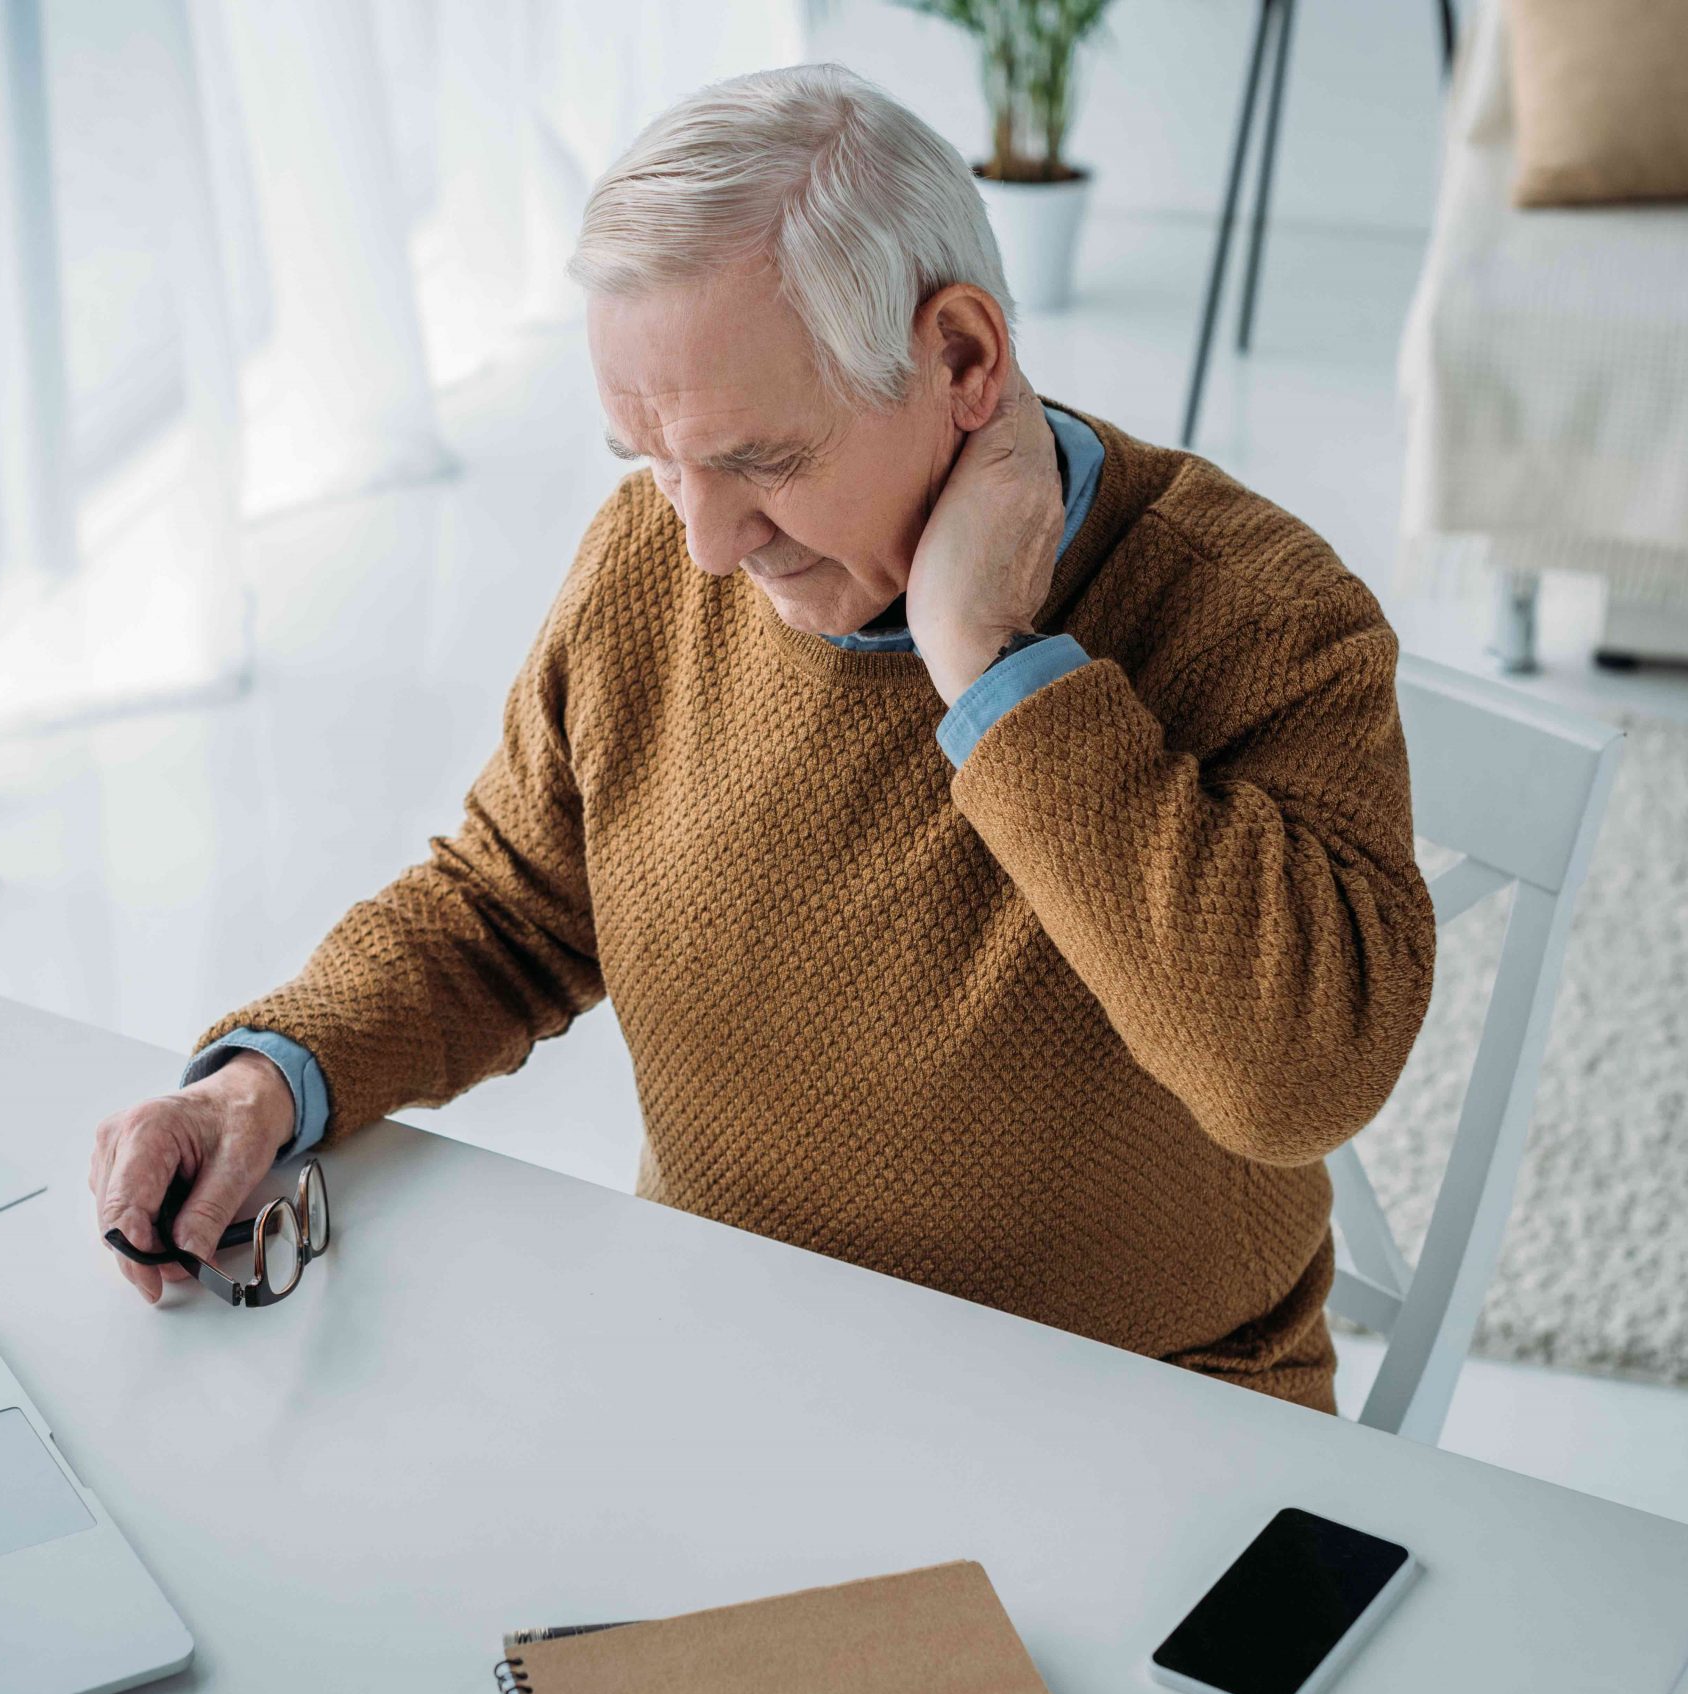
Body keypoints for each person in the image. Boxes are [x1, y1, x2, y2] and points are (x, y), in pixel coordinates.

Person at [87, 64, 1435, 1411]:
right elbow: (506, 909)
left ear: (960, 358)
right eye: (651, 458)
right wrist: (264, 1079)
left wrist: (994, 668)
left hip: (1155, 1411)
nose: (706, 544)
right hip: (726, 1361)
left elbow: (1296, 1079)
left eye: (762, 461)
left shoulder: (1263, 616)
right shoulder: (650, 566)